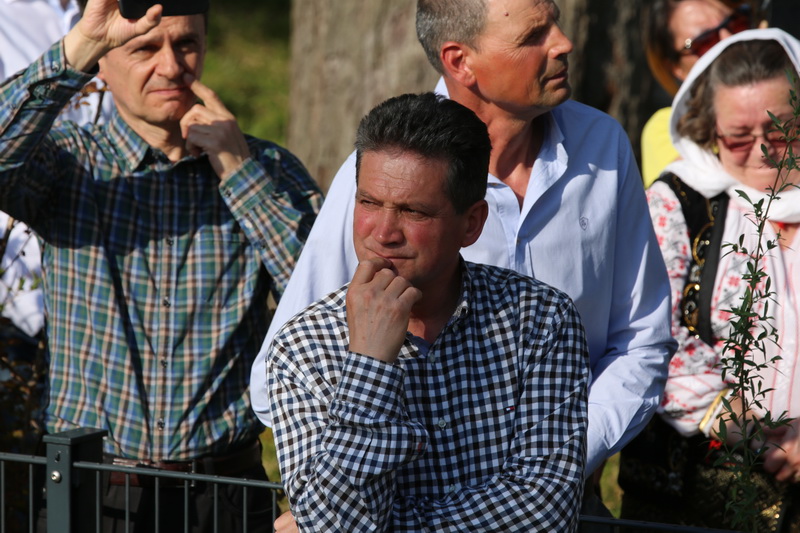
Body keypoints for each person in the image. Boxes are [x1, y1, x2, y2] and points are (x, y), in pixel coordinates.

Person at [252, 0, 675, 495]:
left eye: (555, 24)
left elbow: (641, 337)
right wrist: (362, 492)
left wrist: (560, 460)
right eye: (533, 36)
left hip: (569, 505)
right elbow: (282, 372)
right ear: (460, 61)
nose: (563, 44)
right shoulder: (385, 177)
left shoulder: (603, 147)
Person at [0, 0, 322, 530]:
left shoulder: (269, 170)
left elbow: (326, 313)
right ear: (104, 63)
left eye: (186, 44)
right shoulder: (70, 164)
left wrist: (240, 176)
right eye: (145, 48)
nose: (171, 67)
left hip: (226, 494)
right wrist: (79, 47)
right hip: (90, 493)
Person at [267, 91, 589, 532]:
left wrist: (385, 526)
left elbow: (545, 513)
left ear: (471, 223)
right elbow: (338, 525)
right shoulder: (303, 347)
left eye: (413, 211)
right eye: (368, 203)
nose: (384, 232)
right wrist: (369, 366)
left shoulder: (539, 321)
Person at [623, 28, 800, 530]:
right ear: (708, 129)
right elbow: (647, 333)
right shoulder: (678, 203)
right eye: (739, 137)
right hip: (696, 493)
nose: (763, 152)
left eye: (782, 131)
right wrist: (746, 428)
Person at [640, 0, 754, 187]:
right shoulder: (670, 127)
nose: (729, 40)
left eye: (736, 23)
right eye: (705, 41)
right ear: (676, 67)